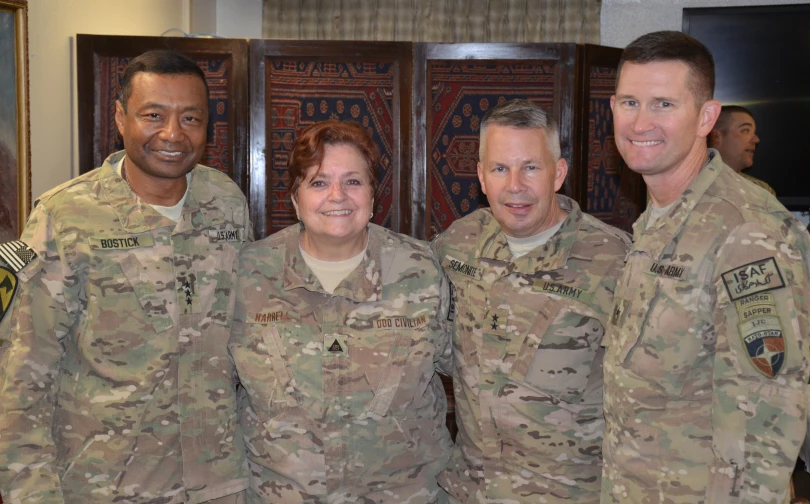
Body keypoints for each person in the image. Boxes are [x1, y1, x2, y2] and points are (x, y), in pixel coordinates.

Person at [0, 50, 251, 503]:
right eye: (153, 115)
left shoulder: (226, 202)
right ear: (120, 117)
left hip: (218, 482)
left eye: (190, 118)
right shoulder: (65, 215)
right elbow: (22, 375)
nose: (173, 134)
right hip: (106, 486)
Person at [603, 30, 810, 503]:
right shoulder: (655, 222)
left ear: (706, 117)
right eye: (629, 102)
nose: (640, 122)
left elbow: (767, 420)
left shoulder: (744, 230)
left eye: (664, 104)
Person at [229, 120, 453, 503]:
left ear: (371, 196)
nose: (337, 195)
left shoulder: (422, 270)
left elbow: (470, 371)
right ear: (296, 200)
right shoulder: (249, 274)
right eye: (318, 182)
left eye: (353, 181)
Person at [432, 99, 631, 503]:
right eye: (500, 168)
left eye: (531, 167)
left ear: (558, 173)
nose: (515, 185)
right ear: (481, 177)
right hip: (472, 491)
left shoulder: (613, 260)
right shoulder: (456, 246)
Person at [709, 104, 775, 195]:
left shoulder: (762, 191)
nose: (756, 140)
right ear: (716, 136)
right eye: (745, 130)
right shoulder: (690, 184)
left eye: (754, 132)